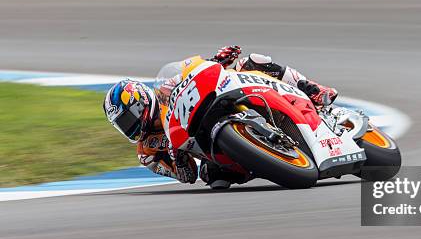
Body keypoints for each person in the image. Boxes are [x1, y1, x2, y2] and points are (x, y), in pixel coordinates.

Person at [103, 46, 337, 189]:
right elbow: (187, 177)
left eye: (128, 118)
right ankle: (267, 158)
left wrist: (218, 59)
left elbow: (194, 73)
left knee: (251, 61)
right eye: (123, 126)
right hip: (209, 151)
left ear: (141, 100)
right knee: (212, 178)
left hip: (213, 106)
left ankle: (312, 89)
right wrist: (179, 161)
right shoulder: (148, 153)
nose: (130, 127)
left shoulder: (165, 88)